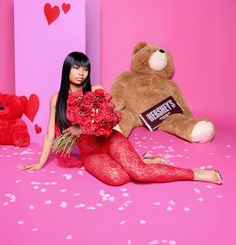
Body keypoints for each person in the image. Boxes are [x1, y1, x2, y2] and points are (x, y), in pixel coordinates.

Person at [19, 52, 223, 186]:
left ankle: (196, 173)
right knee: (119, 178)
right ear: (67, 69)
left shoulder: (96, 90)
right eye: (76, 68)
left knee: (140, 173)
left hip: (110, 140)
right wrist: (39, 163)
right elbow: (48, 136)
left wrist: (81, 130)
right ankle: (141, 160)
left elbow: (108, 121)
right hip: (91, 154)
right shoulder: (57, 99)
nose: (81, 73)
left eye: (85, 69)